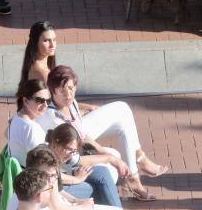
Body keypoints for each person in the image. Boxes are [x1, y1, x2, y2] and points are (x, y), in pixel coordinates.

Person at [38, 65, 166, 201]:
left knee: (122, 110)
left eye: (70, 88)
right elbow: (76, 160)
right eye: (61, 91)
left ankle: (135, 169)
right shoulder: (53, 118)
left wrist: (89, 108)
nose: (68, 95)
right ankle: (125, 180)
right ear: (52, 91)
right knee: (113, 165)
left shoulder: (70, 102)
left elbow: (82, 134)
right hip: (68, 164)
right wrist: (110, 158)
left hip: (79, 143)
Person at [7, 80, 51, 167]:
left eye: (48, 100)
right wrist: (75, 179)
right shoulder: (31, 128)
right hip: (36, 177)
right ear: (26, 101)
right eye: (39, 100)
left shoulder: (16, 118)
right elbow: (43, 166)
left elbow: (6, 133)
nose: (45, 105)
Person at [20, 22, 58, 87]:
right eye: (46, 40)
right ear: (35, 42)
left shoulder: (32, 64)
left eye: (54, 40)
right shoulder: (43, 74)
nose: (52, 45)